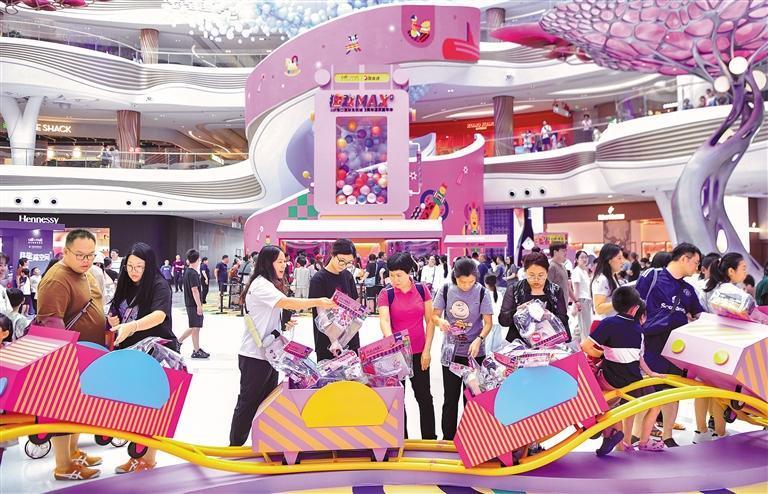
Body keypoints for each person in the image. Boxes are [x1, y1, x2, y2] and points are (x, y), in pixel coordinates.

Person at [229, 245, 335, 446]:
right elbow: (287, 302)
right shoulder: (261, 285)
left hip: (269, 355)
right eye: (279, 261)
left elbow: (271, 314)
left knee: (266, 402)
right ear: (267, 263)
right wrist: (319, 301)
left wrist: (284, 324)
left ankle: (262, 442)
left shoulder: (268, 284)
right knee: (248, 402)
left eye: (284, 261)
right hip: (254, 356)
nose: (284, 265)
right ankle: (235, 445)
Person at [36, 229, 105, 481]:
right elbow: (52, 324)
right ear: (65, 252)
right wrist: (64, 363)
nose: (86, 260)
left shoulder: (82, 273)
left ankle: (73, 453)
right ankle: (63, 466)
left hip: (86, 355)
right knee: (62, 409)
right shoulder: (57, 279)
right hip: (66, 359)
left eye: (91, 255)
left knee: (76, 409)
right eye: (80, 255)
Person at [106, 242, 179, 473]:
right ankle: (137, 456)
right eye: (130, 266)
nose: (134, 271)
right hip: (130, 354)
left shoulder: (159, 285)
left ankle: (147, 459)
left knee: (152, 407)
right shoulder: (125, 283)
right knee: (134, 407)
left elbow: (159, 315)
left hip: (155, 353)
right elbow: (117, 309)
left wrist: (133, 326)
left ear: (149, 266)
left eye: (139, 267)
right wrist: (114, 320)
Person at [636, 243, 704, 448]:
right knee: (647, 390)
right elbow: (634, 304)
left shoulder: (688, 290)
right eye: (695, 262)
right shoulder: (652, 276)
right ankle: (637, 435)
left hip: (676, 350)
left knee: (672, 391)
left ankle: (667, 435)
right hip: (650, 344)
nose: (697, 267)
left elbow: (700, 315)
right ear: (684, 258)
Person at [581, 287, 665, 454]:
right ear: (635, 309)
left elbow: (585, 346)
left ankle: (604, 428)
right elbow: (639, 358)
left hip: (611, 379)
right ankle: (644, 441)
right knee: (655, 405)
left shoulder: (608, 323)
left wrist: (602, 354)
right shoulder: (639, 330)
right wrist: (651, 373)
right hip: (633, 379)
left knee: (605, 402)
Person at [432, 258, 493, 440]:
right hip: (451, 354)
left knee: (473, 400)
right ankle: (448, 439)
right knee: (450, 399)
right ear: (455, 277)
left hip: (474, 354)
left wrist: (479, 339)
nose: (466, 286)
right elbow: (434, 315)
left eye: (470, 282)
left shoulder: (482, 292)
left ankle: (471, 439)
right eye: (462, 282)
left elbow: (488, 323)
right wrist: (440, 321)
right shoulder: (446, 289)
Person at [377, 253, 436, 440]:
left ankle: (429, 438)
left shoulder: (421, 289)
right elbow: (384, 321)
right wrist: (392, 345)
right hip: (396, 355)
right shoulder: (386, 293)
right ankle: (401, 439)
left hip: (419, 353)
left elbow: (430, 320)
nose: (394, 279)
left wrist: (427, 350)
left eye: (399, 275)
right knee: (397, 399)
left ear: (409, 273)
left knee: (424, 397)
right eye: (391, 275)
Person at [499, 252, 571, 342]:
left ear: (547, 272)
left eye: (541, 275)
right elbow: (503, 320)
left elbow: (564, 319)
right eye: (531, 275)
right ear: (525, 272)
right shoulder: (514, 289)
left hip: (549, 342)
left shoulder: (555, 290)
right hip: (519, 342)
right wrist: (517, 311)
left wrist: (550, 317)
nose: (536, 279)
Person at [309, 239, 360, 361]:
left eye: (348, 262)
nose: (344, 265)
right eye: (341, 260)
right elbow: (321, 314)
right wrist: (334, 341)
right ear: (332, 254)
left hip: (350, 339)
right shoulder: (319, 279)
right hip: (328, 342)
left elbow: (355, 305)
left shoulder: (348, 276)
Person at [178, 249, 209, 359]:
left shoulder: (188, 271)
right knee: (195, 326)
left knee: (195, 327)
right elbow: (194, 290)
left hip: (190, 303)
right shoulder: (193, 273)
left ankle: (195, 349)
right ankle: (182, 343)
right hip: (193, 304)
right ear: (197, 260)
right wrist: (199, 306)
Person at [591, 244, 624, 325]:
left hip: (612, 322)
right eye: (619, 258)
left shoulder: (612, 277)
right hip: (604, 324)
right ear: (609, 260)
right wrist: (622, 301)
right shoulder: (602, 279)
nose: (622, 262)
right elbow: (599, 308)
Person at [548, 243, 579, 313]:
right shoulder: (552, 267)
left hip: (564, 304)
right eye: (563, 251)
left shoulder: (563, 266)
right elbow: (547, 287)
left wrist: (576, 301)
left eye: (565, 250)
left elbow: (567, 286)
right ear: (555, 252)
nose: (565, 253)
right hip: (556, 306)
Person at [571, 250, 592, 343]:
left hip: (586, 300)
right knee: (584, 327)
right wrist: (575, 303)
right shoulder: (577, 271)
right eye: (582, 257)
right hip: (581, 300)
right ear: (576, 260)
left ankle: (576, 344)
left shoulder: (584, 271)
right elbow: (576, 289)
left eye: (586, 257)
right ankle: (584, 346)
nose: (584, 259)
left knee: (582, 326)